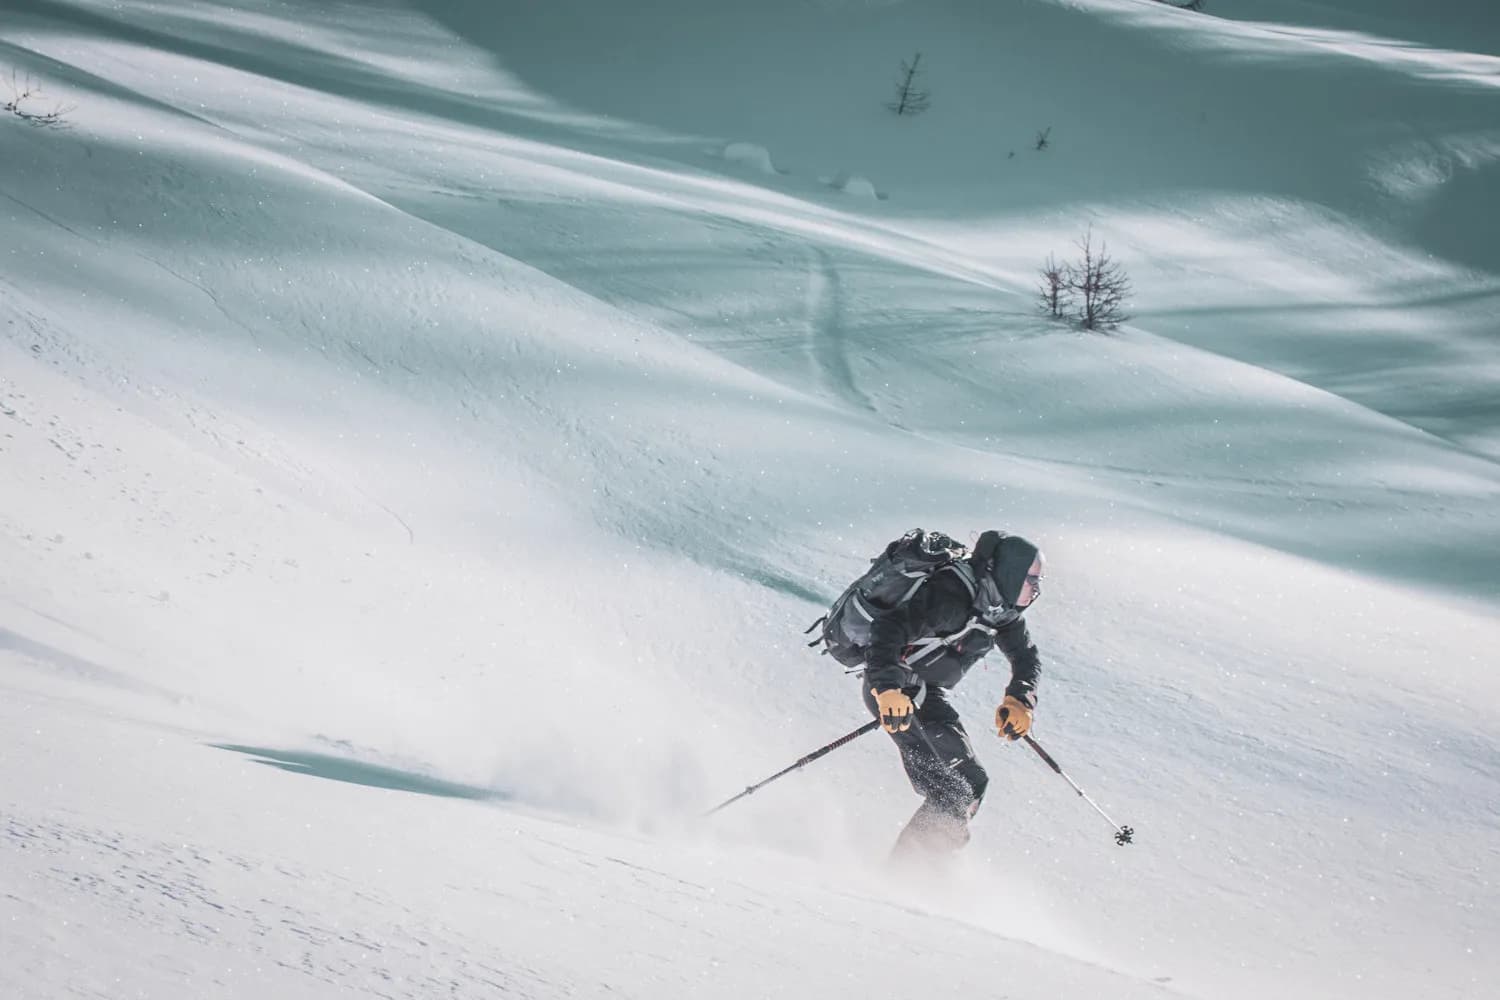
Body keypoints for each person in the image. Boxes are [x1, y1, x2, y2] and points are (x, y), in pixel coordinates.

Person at [861, 530, 1045, 855]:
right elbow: (888, 630)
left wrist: (1020, 699)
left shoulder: (998, 606)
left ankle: (917, 866)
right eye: (1031, 579)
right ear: (1010, 573)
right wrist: (887, 689)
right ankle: (913, 871)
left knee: (958, 787)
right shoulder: (951, 599)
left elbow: (1025, 654)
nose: (1036, 588)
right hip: (900, 694)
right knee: (963, 784)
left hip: (921, 693)